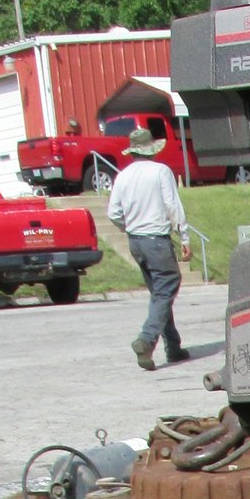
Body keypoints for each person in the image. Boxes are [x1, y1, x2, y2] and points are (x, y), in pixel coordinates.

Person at [106, 128, 192, 370]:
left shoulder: (122, 176)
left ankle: (172, 346)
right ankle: (146, 339)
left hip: (136, 241)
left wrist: (128, 226)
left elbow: (113, 213)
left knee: (159, 294)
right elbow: (172, 206)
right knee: (167, 287)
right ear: (152, 149)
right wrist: (184, 236)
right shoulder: (160, 171)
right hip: (156, 239)